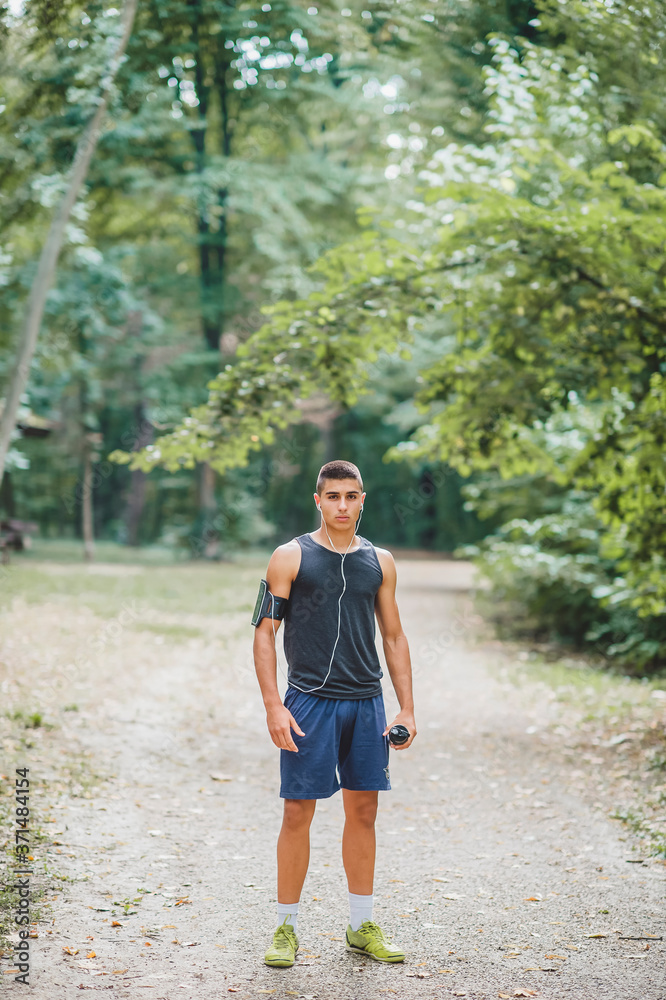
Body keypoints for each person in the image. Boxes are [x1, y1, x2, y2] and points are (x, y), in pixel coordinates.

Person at [252, 459, 416, 968]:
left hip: (366, 703)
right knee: (297, 812)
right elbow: (264, 632)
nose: (343, 505)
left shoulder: (380, 561)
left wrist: (406, 705)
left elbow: (392, 635)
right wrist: (274, 705)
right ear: (317, 500)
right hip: (309, 703)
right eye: (334, 496)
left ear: (363, 499)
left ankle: (360, 925)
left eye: (352, 495)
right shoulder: (290, 556)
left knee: (364, 812)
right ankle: (285, 929)